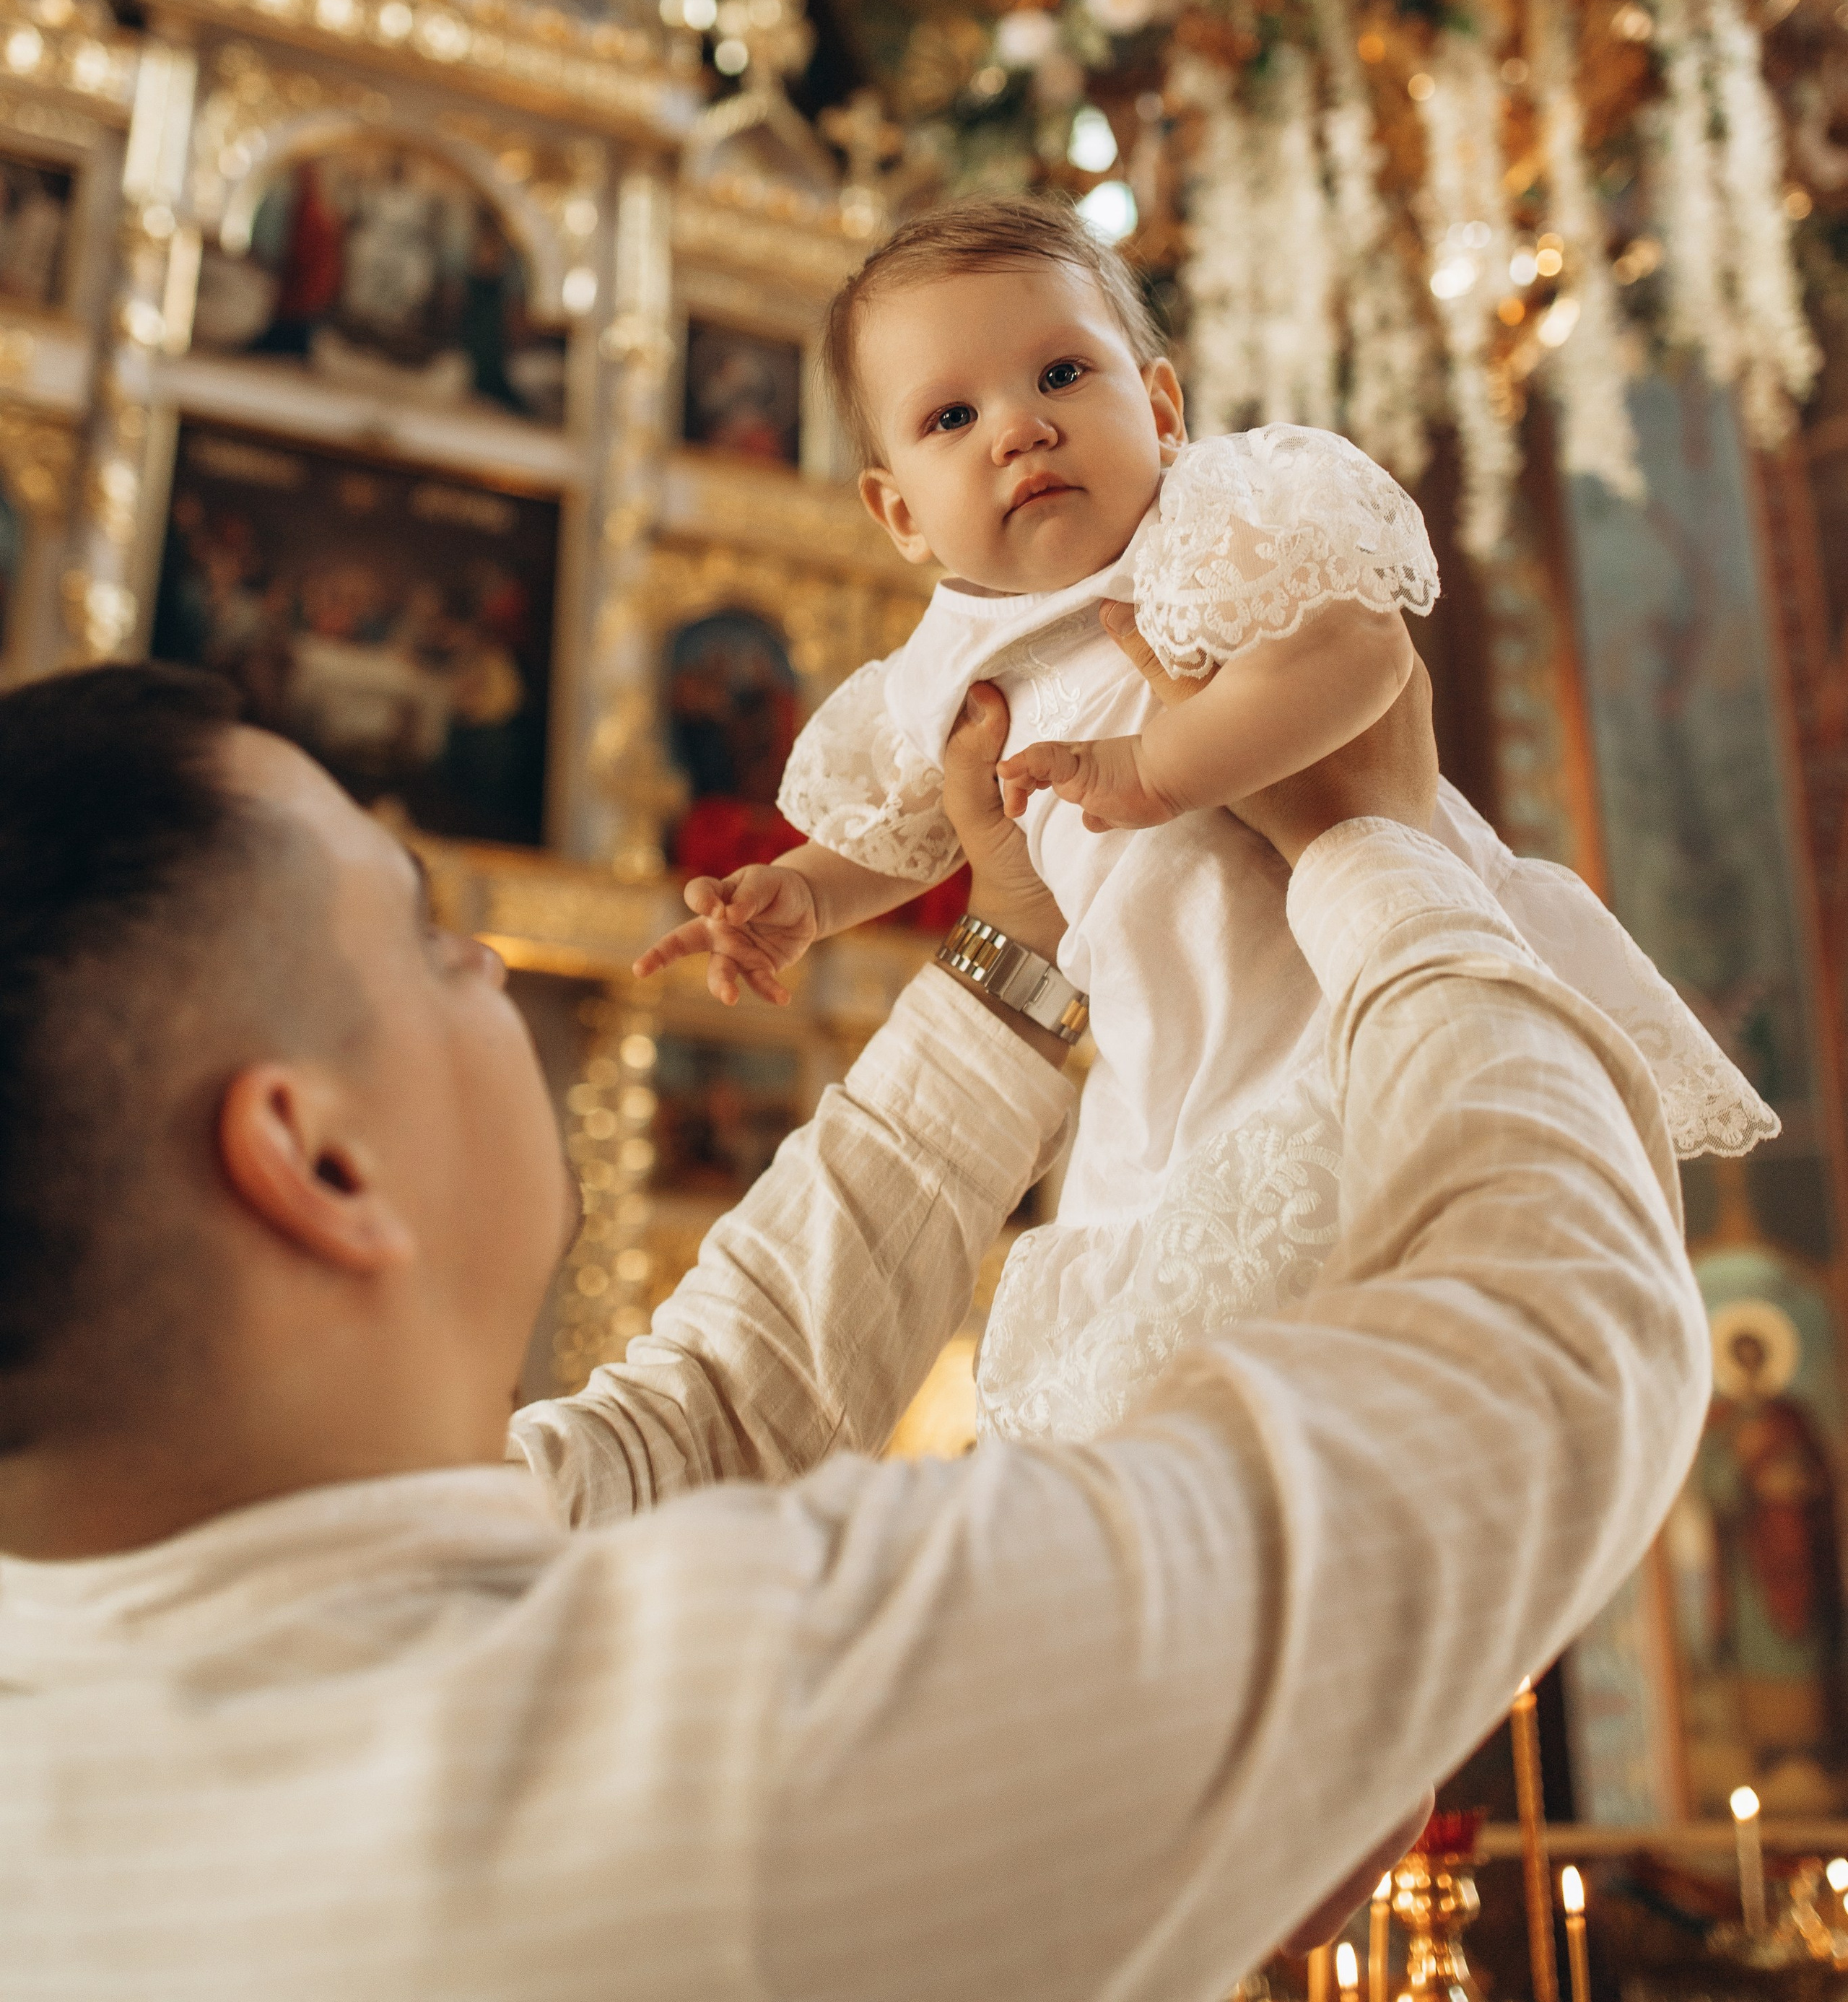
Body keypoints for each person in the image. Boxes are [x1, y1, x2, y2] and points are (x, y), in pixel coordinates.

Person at [0, 653, 1707, 1998]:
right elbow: (1543, 1354)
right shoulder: (736, 1758)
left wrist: (1013, 948)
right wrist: (1381, 860)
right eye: (430, 937)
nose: (498, 977)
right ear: (313, 1155)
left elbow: (713, 1419)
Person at [636, 198, 1774, 1437]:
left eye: (1062, 373)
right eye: (951, 418)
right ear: (900, 511)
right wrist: (799, 897)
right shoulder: (937, 671)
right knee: (1199, 1341)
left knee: (1429, 1246)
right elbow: (895, 837)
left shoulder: (1214, 530)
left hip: (1346, 985)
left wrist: (1165, 766)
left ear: (1162, 409)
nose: (1020, 427)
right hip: (1170, 1061)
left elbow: (1362, 659)